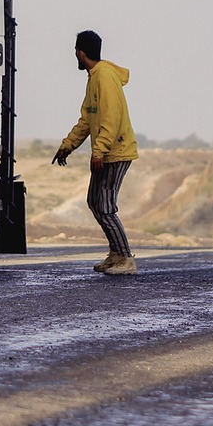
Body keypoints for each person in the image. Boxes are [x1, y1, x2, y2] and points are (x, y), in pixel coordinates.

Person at [51, 29, 140, 275]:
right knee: (94, 202)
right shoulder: (94, 77)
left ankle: (126, 259)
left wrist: (99, 151)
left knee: (106, 206)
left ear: (80, 52)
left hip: (116, 151)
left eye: (75, 51)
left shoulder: (105, 76)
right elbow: (87, 120)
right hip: (105, 152)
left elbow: (111, 118)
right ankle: (116, 254)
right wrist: (67, 145)